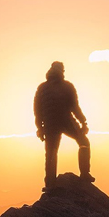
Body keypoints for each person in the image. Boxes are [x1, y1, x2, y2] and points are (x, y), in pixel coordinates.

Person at [33, 61, 94, 191]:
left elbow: (37, 110)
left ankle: (50, 184)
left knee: (51, 153)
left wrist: (40, 128)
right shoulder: (67, 86)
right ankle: (85, 173)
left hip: (50, 124)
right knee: (84, 142)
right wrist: (83, 122)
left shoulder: (42, 88)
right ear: (62, 71)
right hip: (67, 121)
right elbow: (75, 107)